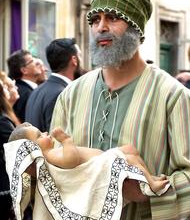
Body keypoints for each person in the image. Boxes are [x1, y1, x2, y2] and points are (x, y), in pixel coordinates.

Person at [50, 0, 190, 219]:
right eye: (95, 20)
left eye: (112, 18)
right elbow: (54, 164)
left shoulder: (173, 96)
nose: (100, 27)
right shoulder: (70, 95)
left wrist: (145, 192)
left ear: (136, 27)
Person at [8, 122, 169, 196]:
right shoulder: (50, 155)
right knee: (130, 157)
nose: (44, 133)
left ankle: (150, 177)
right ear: (32, 150)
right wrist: (66, 140)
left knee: (130, 151)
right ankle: (152, 183)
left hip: (103, 159)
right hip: (101, 165)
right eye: (39, 136)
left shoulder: (52, 153)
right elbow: (71, 160)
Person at [25, 38, 82, 132]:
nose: (81, 59)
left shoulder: (38, 90)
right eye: (80, 55)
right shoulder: (62, 93)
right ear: (74, 60)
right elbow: (56, 137)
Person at [0, 78, 18, 219]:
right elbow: (18, 146)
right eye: (5, 88)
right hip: (3, 185)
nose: (8, 90)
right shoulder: (2, 121)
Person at [7, 49, 41, 123]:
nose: (37, 62)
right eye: (32, 61)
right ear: (24, 70)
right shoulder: (24, 93)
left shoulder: (26, 90)